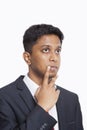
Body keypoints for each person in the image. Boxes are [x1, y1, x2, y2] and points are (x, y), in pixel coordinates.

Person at [0, 24, 83, 130]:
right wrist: (42, 108)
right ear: (27, 58)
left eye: (57, 51)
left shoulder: (71, 99)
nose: (54, 58)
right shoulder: (4, 98)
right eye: (46, 50)